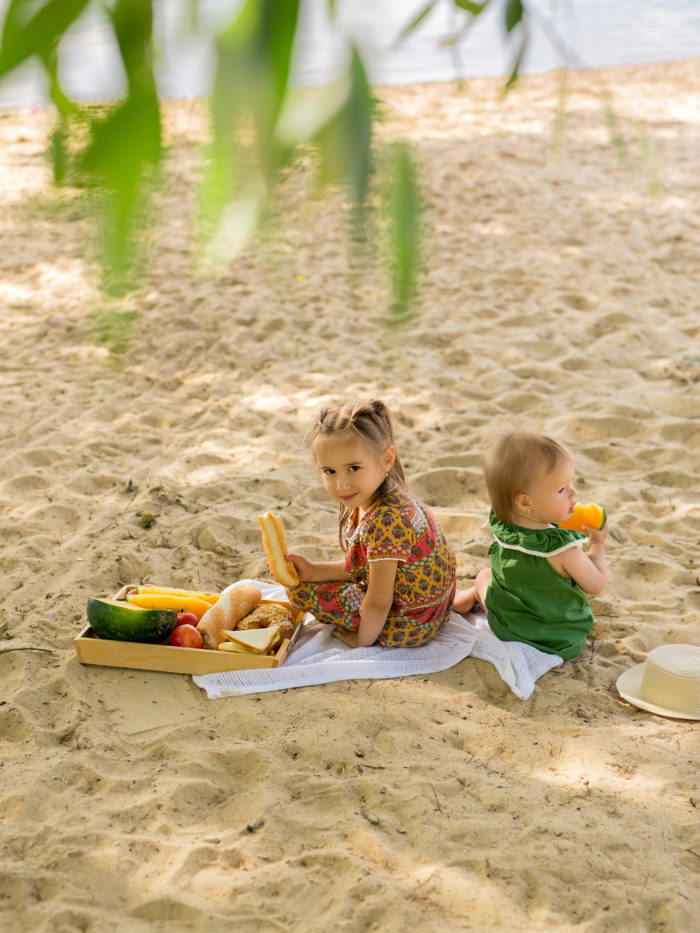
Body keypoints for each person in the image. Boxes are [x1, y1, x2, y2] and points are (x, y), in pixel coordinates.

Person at [285, 399, 457, 648]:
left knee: (299, 593)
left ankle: (370, 632)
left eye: (353, 468)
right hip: (432, 607)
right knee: (306, 580)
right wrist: (313, 570)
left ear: (386, 459)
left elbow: (378, 601)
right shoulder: (383, 493)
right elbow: (368, 565)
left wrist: (361, 641)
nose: (341, 485)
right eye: (329, 472)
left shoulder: (386, 521)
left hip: (411, 622)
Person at [453, 431, 608, 661]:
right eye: (561, 489)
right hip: (563, 641)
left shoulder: (503, 528)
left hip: (511, 631)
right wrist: (597, 545)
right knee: (488, 575)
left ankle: (470, 596)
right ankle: (474, 594)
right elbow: (596, 584)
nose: (574, 493)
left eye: (571, 483)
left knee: (485, 576)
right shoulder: (564, 550)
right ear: (525, 502)